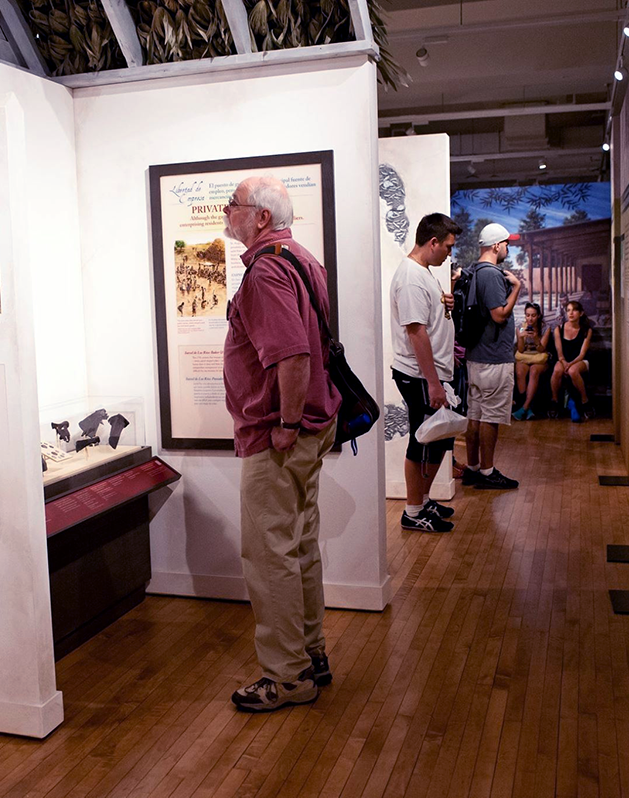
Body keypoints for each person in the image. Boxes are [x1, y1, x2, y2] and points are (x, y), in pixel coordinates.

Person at [222, 175, 341, 712]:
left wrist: (285, 425)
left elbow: (293, 356)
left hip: (281, 434)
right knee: (297, 546)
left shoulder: (266, 271)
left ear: (261, 218)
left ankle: (287, 676)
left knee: (269, 555)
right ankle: (310, 652)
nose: (227, 211)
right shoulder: (302, 260)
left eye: (235, 204)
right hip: (313, 426)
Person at [389, 213, 461, 532]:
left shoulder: (424, 273)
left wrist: (443, 301)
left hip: (431, 375)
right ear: (432, 242)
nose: (449, 253)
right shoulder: (410, 278)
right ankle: (413, 511)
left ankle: (423, 498)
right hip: (418, 376)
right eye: (447, 246)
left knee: (439, 440)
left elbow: (427, 319)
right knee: (422, 441)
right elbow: (416, 332)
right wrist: (433, 383)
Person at [462, 223, 522, 489]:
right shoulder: (492, 274)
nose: (508, 248)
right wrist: (517, 288)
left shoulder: (474, 271)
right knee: (491, 416)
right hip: (494, 358)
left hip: (476, 354)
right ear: (497, 245)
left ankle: (473, 467)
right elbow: (499, 314)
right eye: (507, 244)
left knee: (475, 414)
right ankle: (487, 471)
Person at [550, 300, 594, 422]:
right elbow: (559, 353)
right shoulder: (559, 328)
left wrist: (570, 365)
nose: (571, 313)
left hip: (580, 361)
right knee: (557, 369)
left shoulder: (587, 330)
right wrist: (564, 363)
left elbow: (582, 354)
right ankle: (554, 401)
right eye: (568, 310)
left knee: (573, 371)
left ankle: (585, 401)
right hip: (563, 359)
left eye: (574, 310)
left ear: (581, 313)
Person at [512, 302, 551, 421]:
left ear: (538, 315)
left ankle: (524, 407)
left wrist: (535, 338)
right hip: (525, 357)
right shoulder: (520, 327)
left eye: (533, 315)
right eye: (528, 315)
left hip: (539, 358)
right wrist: (521, 337)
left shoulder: (545, 328)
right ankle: (527, 409)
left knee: (534, 371)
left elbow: (541, 349)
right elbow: (520, 349)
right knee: (519, 371)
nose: (530, 318)